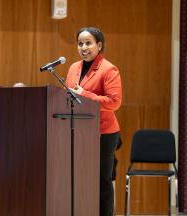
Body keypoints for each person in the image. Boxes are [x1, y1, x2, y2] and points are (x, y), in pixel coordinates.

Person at [65, 27, 122, 216]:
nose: (83, 47)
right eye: (80, 43)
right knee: (79, 179)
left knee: (101, 180)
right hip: (78, 130)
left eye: (88, 43)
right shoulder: (73, 67)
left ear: (99, 45)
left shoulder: (109, 69)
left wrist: (86, 95)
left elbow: (114, 102)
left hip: (103, 133)